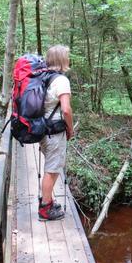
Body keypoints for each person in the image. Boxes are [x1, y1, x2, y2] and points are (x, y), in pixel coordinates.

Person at [38, 45, 74, 221]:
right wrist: (71, 128)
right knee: (52, 170)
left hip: (44, 129)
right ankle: (45, 208)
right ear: (62, 59)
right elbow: (66, 110)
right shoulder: (61, 80)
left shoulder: (43, 77)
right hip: (55, 131)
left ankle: (49, 201)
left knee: (51, 167)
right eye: (67, 56)